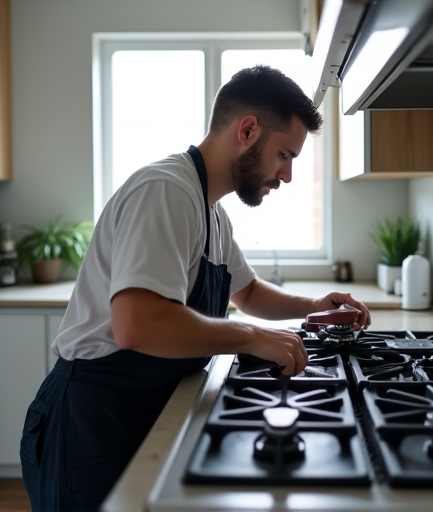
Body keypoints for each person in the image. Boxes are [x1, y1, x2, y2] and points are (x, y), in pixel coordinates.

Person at [19, 65, 371, 512]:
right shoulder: (165, 191)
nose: (286, 176)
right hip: (89, 421)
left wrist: (315, 306)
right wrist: (252, 337)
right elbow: (138, 324)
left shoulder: (213, 211)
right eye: (285, 155)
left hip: (137, 411)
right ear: (247, 130)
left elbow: (248, 292)